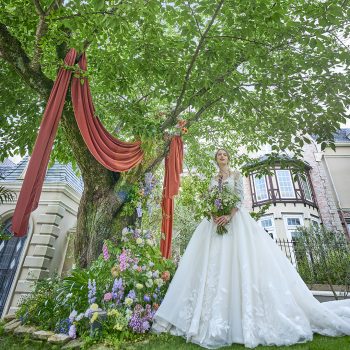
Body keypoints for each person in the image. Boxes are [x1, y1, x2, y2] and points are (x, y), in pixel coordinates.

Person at [151, 148, 350, 349]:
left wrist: (228, 216)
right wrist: (214, 214)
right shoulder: (213, 178)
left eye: (225, 154)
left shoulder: (236, 175)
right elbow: (210, 198)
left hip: (235, 221)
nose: (222, 157)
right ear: (215, 159)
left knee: (240, 262)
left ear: (228, 158)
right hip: (214, 223)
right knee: (211, 266)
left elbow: (239, 198)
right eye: (219, 154)